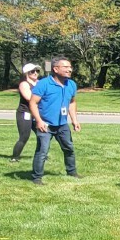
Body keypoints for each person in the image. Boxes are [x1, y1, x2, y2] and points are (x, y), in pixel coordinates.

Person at [28, 57, 80, 185]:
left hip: (62, 124)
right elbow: (33, 103)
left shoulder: (71, 84)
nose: (69, 69)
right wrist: (39, 121)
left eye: (70, 67)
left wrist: (74, 120)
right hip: (45, 124)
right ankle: (37, 178)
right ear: (55, 69)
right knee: (42, 151)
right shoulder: (44, 84)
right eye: (65, 67)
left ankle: (72, 172)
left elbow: (72, 102)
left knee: (69, 148)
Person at [10, 62, 38, 161]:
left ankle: (40, 156)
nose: (35, 73)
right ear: (26, 73)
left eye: (37, 71)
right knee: (24, 136)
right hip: (25, 113)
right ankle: (15, 157)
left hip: (36, 113)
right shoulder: (24, 84)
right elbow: (29, 98)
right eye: (32, 71)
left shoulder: (39, 83)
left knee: (43, 134)